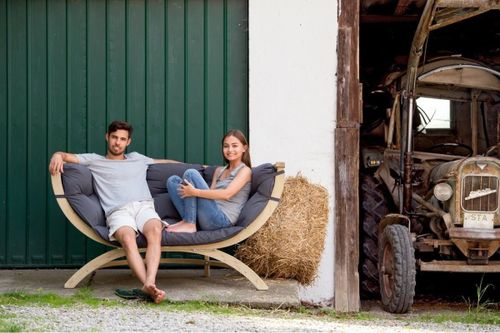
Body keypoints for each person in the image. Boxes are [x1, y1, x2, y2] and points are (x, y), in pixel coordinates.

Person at [48, 120, 177, 303]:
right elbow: (67, 156)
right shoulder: (95, 160)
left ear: (128, 142)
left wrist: (200, 168)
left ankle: (149, 283)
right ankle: (149, 286)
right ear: (107, 137)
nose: (118, 142)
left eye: (122, 139)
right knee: (127, 238)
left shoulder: (137, 158)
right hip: (117, 211)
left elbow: (165, 163)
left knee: (155, 231)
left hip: (144, 207)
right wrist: (57, 155)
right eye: (114, 137)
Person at [166, 129, 252, 233]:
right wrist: (193, 193)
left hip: (222, 220)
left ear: (244, 148)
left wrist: (194, 192)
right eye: (226, 146)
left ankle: (189, 223)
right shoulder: (219, 171)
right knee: (172, 181)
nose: (229, 150)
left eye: (234, 146)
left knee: (191, 173)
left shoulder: (245, 171)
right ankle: (190, 220)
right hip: (207, 215)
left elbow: (227, 194)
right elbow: (209, 195)